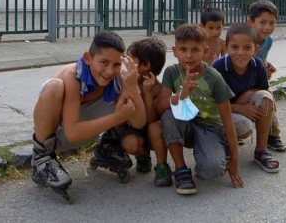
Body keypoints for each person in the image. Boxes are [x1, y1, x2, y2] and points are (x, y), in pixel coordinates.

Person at [30, 31, 146, 193]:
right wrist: (118, 117)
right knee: (54, 86)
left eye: (116, 64)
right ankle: (42, 158)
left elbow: (139, 122)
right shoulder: (72, 76)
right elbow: (71, 134)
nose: (110, 71)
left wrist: (133, 89)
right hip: (57, 135)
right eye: (104, 62)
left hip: (87, 131)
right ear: (88, 58)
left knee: (121, 95)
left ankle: (108, 145)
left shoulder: (118, 78)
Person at [156, 23, 244, 195]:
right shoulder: (172, 72)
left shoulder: (214, 78)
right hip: (185, 125)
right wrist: (181, 94)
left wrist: (235, 159)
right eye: (183, 49)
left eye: (195, 50)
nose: (188, 55)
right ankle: (181, 169)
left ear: (205, 52)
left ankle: (218, 148)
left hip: (210, 127)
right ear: (174, 51)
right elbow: (160, 106)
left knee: (210, 171)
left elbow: (226, 120)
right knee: (169, 112)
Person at [212, 23, 280, 173]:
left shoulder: (258, 66)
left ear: (256, 49)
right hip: (221, 112)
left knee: (265, 97)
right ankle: (225, 143)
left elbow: (262, 90)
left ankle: (261, 151)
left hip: (242, 105)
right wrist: (240, 109)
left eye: (247, 48)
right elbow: (210, 104)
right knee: (244, 127)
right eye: (235, 47)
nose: (241, 53)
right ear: (226, 47)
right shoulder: (218, 68)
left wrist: (247, 95)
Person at [120, 38, 172, 186]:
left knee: (154, 128)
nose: (127, 64)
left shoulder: (158, 89)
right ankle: (143, 155)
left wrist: (147, 94)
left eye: (131, 60)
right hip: (134, 128)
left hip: (153, 133)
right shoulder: (129, 81)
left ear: (146, 65)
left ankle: (162, 165)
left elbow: (149, 120)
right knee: (131, 144)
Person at [247, 0, 286, 153]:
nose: (267, 27)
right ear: (251, 22)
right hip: (238, 80)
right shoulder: (244, 38)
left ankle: (272, 135)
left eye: (272, 23)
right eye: (262, 22)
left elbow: (260, 58)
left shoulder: (268, 40)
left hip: (256, 80)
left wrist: (266, 66)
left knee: (269, 101)